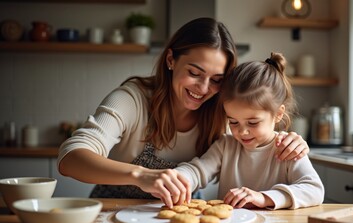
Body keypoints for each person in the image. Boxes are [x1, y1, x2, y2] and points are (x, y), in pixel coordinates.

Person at [57, 17, 310, 208]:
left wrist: (289, 140)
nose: (203, 89)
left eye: (216, 79)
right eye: (194, 73)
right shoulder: (132, 100)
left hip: (178, 215)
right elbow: (70, 159)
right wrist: (141, 176)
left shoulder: (224, 112)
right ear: (171, 60)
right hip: (116, 209)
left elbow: (256, 124)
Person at [173, 52, 324, 209]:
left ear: (278, 114)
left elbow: (314, 190)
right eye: (233, 121)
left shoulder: (287, 148)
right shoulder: (225, 146)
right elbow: (198, 171)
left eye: (252, 123)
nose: (242, 132)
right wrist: (177, 178)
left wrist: (264, 198)